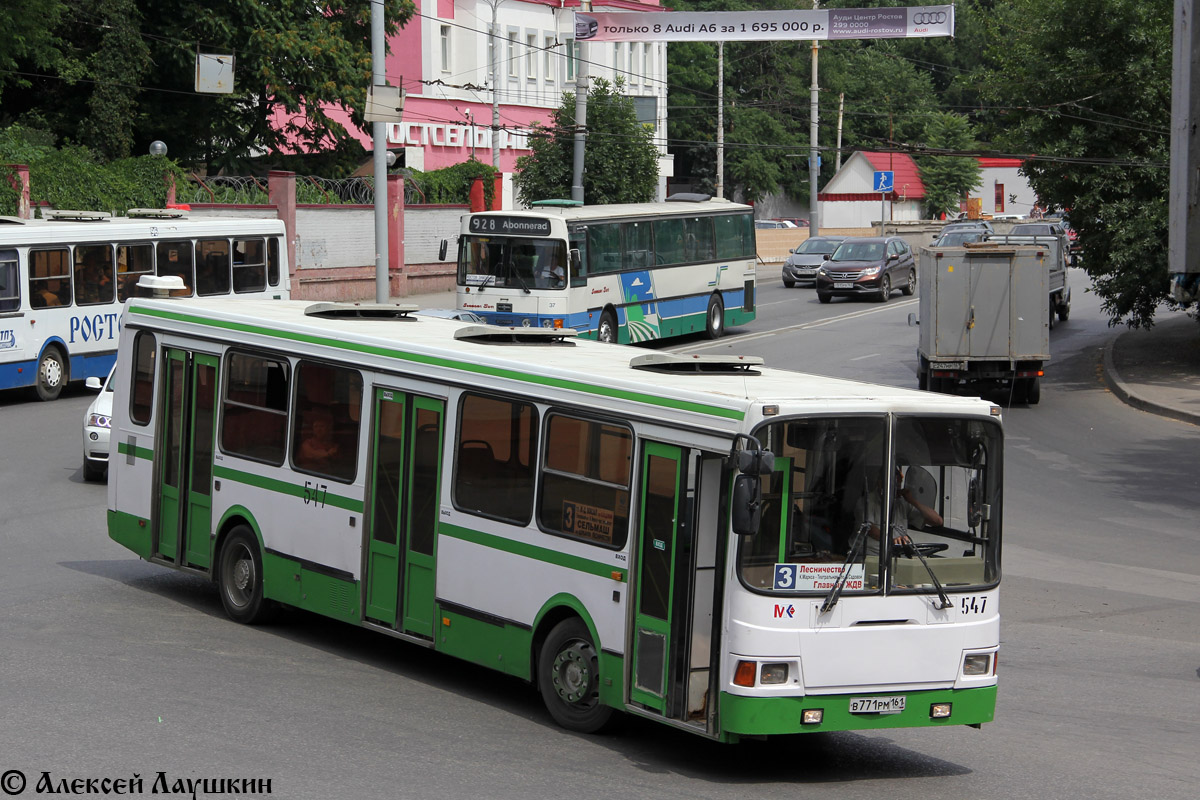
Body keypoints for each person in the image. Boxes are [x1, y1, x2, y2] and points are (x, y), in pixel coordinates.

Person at [855, 465, 943, 556]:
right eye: (892, 484)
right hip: (868, 557)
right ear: (880, 483)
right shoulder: (867, 501)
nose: (896, 488)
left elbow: (937, 521)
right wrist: (893, 540)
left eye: (898, 485)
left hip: (894, 557)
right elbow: (870, 529)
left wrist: (913, 501)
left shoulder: (903, 504)